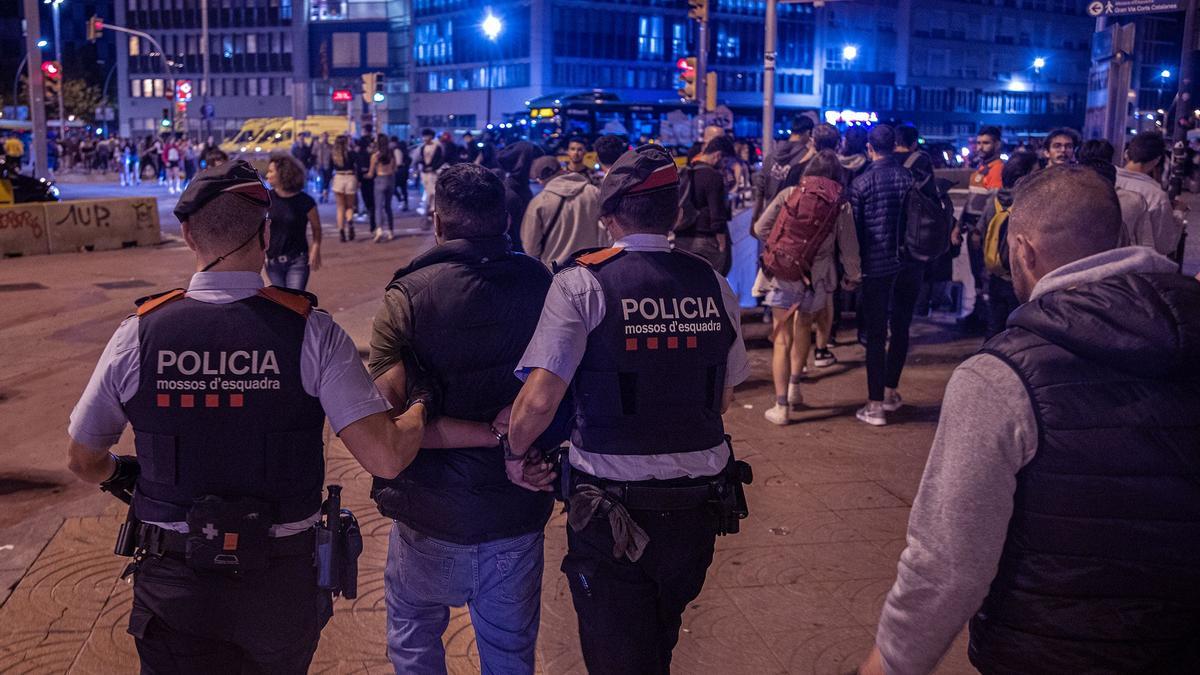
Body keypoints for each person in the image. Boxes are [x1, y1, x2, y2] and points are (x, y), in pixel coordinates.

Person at [65, 159, 431, 673]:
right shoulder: (312, 332)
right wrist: (420, 404)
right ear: (264, 232)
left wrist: (119, 476)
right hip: (278, 587)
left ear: (188, 234)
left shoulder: (139, 334)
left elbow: (83, 457)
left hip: (175, 587)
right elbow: (386, 458)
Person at [858, 164, 1200, 675]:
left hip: (1049, 651)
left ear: (1025, 250)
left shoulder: (1002, 374)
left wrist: (890, 660)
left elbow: (950, 563)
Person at [503, 144, 751, 674]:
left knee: (618, 651)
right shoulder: (713, 283)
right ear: (677, 214)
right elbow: (725, 396)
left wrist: (515, 452)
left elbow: (540, 399)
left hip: (613, 514)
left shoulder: (581, 283)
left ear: (607, 217)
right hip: (697, 510)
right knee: (657, 637)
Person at [369, 163, 566, 674]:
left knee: (415, 648)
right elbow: (560, 391)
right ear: (505, 219)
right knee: (508, 657)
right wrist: (505, 435)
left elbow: (385, 420)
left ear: (438, 222)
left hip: (428, 512)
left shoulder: (406, 297)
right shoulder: (543, 284)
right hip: (515, 505)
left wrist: (433, 406)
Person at [753, 150, 861, 425]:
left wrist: (780, 246)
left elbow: (760, 227)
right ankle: (794, 388)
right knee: (803, 330)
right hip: (818, 277)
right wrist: (852, 275)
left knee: (781, 338)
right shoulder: (841, 204)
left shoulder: (790, 192)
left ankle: (781, 407)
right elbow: (849, 247)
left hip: (784, 272)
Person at [846, 124, 917, 426]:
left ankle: (874, 405)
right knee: (901, 328)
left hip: (876, 269)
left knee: (875, 335)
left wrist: (853, 270)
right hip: (909, 265)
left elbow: (856, 233)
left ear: (870, 149)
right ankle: (890, 392)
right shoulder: (909, 178)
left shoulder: (862, 184)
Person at [977, 151, 1039, 338]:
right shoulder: (1029, 203)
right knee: (1017, 332)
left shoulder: (994, 200)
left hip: (995, 274)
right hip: (1019, 277)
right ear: (1024, 176)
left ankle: (986, 364)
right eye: (1036, 172)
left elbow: (981, 232)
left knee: (994, 329)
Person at [957, 126, 1005, 334]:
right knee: (977, 274)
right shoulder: (980, 170)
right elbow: (971, 201)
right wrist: (958, 226)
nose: (981, 147)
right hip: (973, 230)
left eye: (986, 143)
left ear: (997, 144)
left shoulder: (998, 169)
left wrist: (978, 230)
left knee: (986, 276)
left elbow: (991, 203)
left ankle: (986, 321)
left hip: (984, 232)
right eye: (979, 143)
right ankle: (979, 314)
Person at [521, 155, 607, 268]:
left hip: (556, 272)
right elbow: (607, 229)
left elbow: (531, 248)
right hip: (591, 267)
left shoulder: (538, 203)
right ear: (562, 170)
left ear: (540, 179)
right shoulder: (593, 192)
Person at [1116, 130, 1184, 258]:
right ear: (1157, 160)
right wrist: (1178, 213)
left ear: (1127, 154)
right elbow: (1165, 245)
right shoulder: (1156, 196)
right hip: (1134, 266)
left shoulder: (1107, 179)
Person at [674, 136, 734, 274]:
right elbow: (717, 215)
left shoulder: (687, 172)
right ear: (718, 155)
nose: (725, 166)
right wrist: (722, 244)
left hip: (682, 239)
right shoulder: (714, 177)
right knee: (712, 285)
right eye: (725, 161)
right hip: (705, 241)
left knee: (687, 285)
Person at [265, 153, 322, 291]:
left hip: (297, 261)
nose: (267, 175)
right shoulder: (267, 199)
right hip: (272, 262)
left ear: (283, 173)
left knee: (295, 301)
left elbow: (316, 228)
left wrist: (315, 248)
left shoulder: (305, 201)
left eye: (271, 171)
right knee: (280, 304)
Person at [496, 141, 543, 252]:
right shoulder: (511, 194)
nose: (540, 166)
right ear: (525, 163)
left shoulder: (522, 187)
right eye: (537, 162)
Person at [368, 133, 397, 242]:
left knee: (378, 207)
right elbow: (395, 169)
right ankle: (391, 231)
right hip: (390, 179)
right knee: (388, 207)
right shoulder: (391, 154)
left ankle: (379, 229)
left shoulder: (375, 156)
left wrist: (366, 175)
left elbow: (371, 173)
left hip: (380, 179)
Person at [330, 135, 358, 241]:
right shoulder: (351, 153)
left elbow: (329, 169)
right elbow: (357, 166)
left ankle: (341, 232)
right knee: (350, 206)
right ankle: (350, 222)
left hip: (339, 177)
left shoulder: (334, 155)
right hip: (350, 177)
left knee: (340, 207)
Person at [417, 128, 445, 227]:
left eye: (427, 136)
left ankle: (432, 212)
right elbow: (420, 160)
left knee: (433, 192)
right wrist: (423, 168)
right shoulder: (422, 147)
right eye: (424, 136)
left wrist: (433, 167)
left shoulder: (437, 146)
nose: (425, 138)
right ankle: (429, 212)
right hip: (425, 174)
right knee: (428, 193)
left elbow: (440, 159)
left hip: (433, 173)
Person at [355, 136, 377, 236]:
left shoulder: (358, 155)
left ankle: (372, 223)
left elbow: (358, 169)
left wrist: (358, 180)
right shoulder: (371, 154)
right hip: (371, 180)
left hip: (363, 180)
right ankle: (373, 224)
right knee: (372, 203)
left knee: (367, 202)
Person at [391, 135, 411, 211]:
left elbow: (398, 162)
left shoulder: (396, 149)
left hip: (398, 171)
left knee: (393, 187)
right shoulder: (403, 149)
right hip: (404, 171)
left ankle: (401, 200)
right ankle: (405, 203)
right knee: (404, 188)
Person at [315, 132, 333, 203]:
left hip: (328, 166)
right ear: (322, 137)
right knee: (322, 181)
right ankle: (322, 195)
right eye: (324, 137)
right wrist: (315, 165)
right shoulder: (318, 146)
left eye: (326, 137)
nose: (325, 138)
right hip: (320, 166)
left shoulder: (331, 146)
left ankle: (325, 196)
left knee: (327, 182)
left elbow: (332, 157)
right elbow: (314, 155)